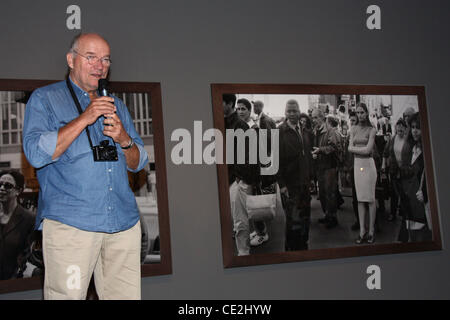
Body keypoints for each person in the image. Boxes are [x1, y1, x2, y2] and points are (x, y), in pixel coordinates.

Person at [22, 33, 149, 299]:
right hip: (72, 226)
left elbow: (139, 163)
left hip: (122, 225)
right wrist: (85, 117)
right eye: (90, 57)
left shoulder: (117, 106)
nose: (99, 66)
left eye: (105, 59)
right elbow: (36, 153)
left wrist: (124, 139)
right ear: (71, 59)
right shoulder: (45, 99)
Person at [223, 96, 260, 255]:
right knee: (237, 219)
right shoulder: (225, 123)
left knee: (240, 220)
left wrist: (241, 178)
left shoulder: (239, 125)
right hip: (232, 178)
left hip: (238, 179)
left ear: (229, 104)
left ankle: (244, 253)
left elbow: (250, 155)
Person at [278, 100, 313, 250]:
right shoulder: (280, 132)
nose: (292, 114)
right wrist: (282, 185)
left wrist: (310, 178)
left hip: (304, 182)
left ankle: (303, 247)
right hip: (290, 185)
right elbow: (275, 160)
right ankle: (291, 252)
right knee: (293, 220)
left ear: (300, 112)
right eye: (289, 111)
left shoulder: (304, 131)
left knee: (305, 217)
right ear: (285, 113)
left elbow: (307, 157)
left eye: (294, 111)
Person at [236, 99, 268, 247]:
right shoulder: (241, 127)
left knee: (255, 205)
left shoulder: (253, 128)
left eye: (243, 109)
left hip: (252, 175)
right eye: (238, 109)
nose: (240, 111)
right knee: (250, 206)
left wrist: (254, 178)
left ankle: (262, 234)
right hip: (244, 174)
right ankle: (258, 230)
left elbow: (257, 155)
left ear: (249, 110)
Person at [348, 103, 377, 244]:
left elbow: (368, 150)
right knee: (360, 199)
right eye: (358, 113)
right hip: (358, 165)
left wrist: (355, 149)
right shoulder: (352, 129)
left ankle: (371, 231)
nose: (360, 115)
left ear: (366, 113)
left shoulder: (372, 130)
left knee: (370, 199)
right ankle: (362, 231)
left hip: (368, 165)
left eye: (362, 112)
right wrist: (360, 149)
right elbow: (349, 147)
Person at [400, 112, 432, 242]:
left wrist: (425, 192)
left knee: (422, 238)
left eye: (418, 127)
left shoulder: (429, 149)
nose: (414, 131)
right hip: (409, 199)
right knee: (412, 237)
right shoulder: (410, 148)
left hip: (421, 201)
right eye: (412, 127)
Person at [0, 170, 35, 280]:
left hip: (15, 284)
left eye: (8, 186)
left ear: (18, 191)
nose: (1, 189)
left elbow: (28, 256)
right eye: (0, 184)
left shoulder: (29, 219)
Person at [311, 108, 340, 229]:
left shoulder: (330, 131)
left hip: (329, 166)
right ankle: (327, 215)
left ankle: (332, 217)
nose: (314, 120)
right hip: (320, 166)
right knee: (322, 192)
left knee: (329, 193)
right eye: (312, 118)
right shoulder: (315, 131)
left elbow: (334, 147)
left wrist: (320, 150)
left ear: (322, 117)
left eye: (316, 117)